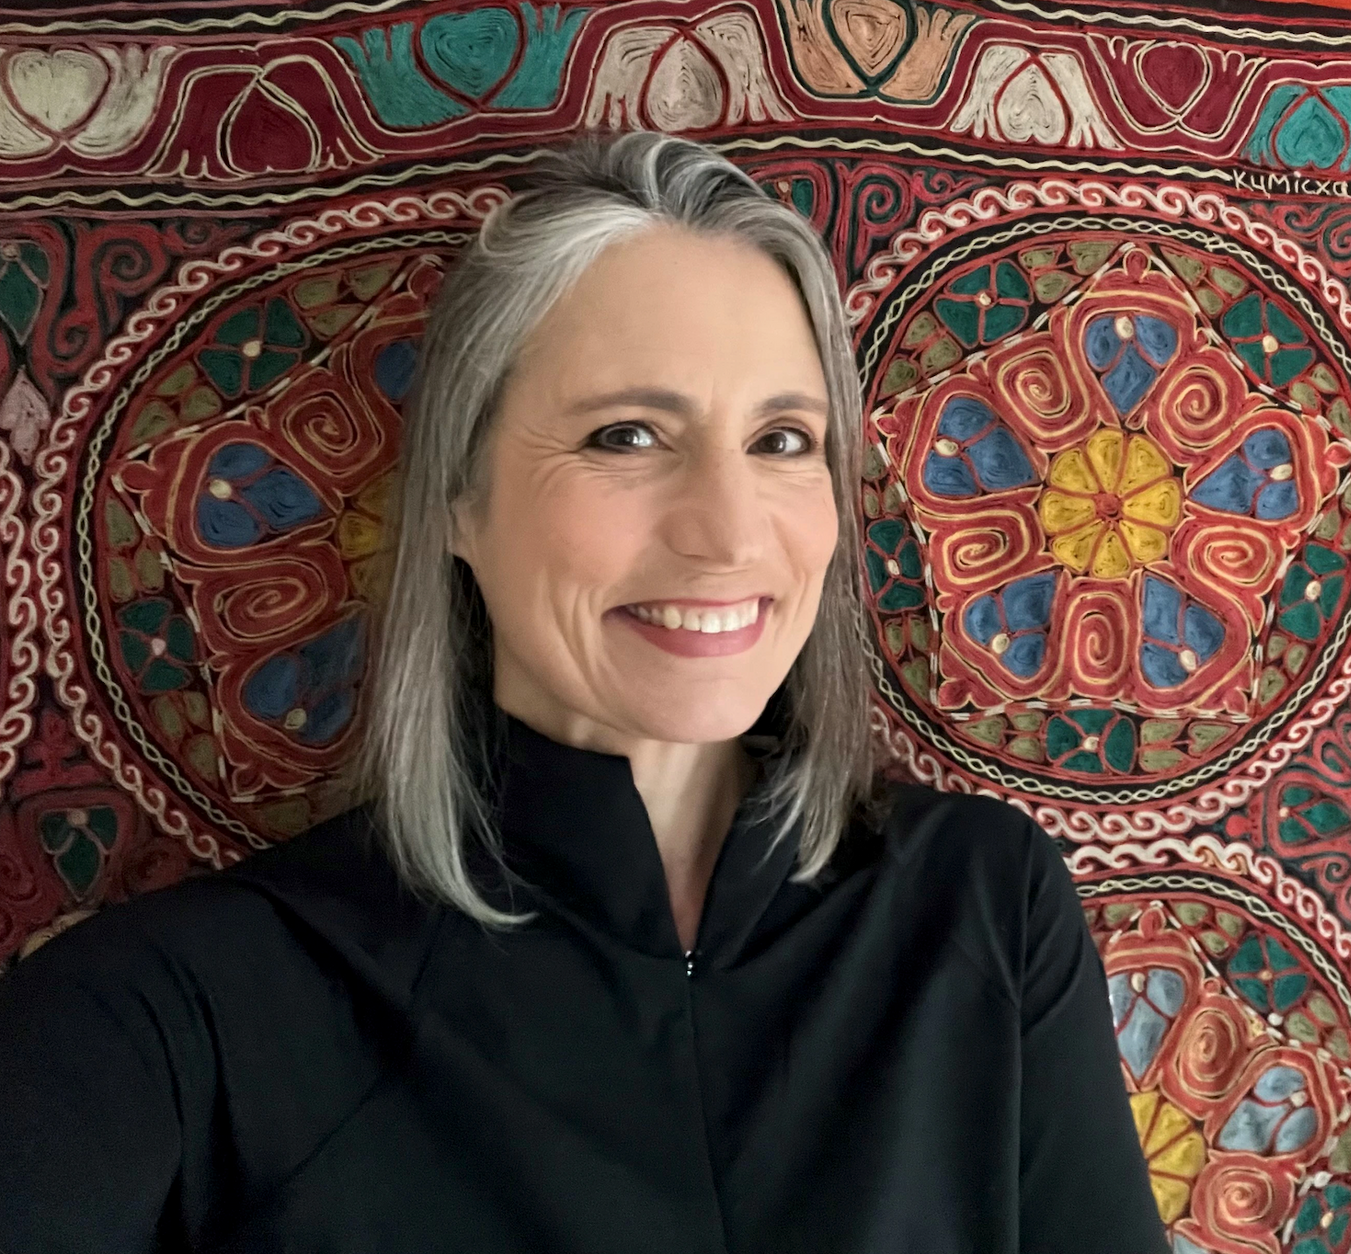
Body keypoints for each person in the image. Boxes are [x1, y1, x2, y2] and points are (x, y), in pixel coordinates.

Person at [0, 130, 1169, 1253]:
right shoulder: (177, 1014)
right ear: (458, 500)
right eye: (625, 435)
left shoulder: (983, 905)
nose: (726, 535)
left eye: (781, 441)